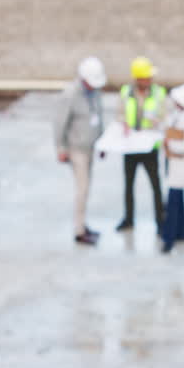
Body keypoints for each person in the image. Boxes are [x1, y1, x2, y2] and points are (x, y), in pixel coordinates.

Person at [54, 57, 107, 246]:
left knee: (86, 189)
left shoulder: (95, 93)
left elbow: (98, 117)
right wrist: (60, 148)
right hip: (77, 150)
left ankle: (83, 225)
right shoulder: (70, 95)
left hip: (91, 147)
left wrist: (102, 143)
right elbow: (60, 123)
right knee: (82, 190)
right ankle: (79, 230)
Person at [116, 56, 167, 233]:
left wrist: (155, 122)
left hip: (149, 147)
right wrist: (123, 124)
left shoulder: (158, 93)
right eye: (146, 77)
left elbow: (163, 116)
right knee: (129, 185)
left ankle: (160, 221)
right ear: (138, 78)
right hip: (131, 146)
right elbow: (120, 114)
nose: (149, 80)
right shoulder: (126, 92)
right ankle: (129, 219)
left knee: (156, 185)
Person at [160, 84, 184, 254]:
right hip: (174, 164)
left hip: (181, 166)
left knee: (173, 203)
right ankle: (181, 234)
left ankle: (168, 239)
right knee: (179, 201)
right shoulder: (178, 115)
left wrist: (171, 144)